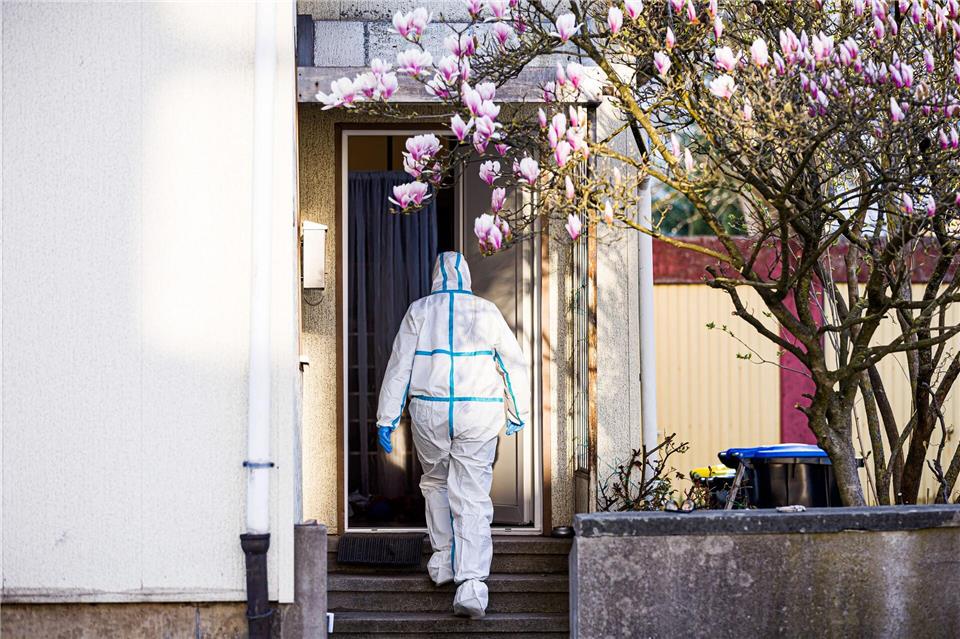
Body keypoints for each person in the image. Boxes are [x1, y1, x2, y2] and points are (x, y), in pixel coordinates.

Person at [376, 251, 530, 619]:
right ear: (467, 277)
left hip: (430, 411)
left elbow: (400, 365)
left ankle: (444, 560)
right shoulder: (486, 311)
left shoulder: (419, 310)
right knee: (472, 493)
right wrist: (517, 410)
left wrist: (387, 417)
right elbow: (512, 363)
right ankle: (472, 584)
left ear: (435, 277)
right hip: (477, 411)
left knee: (436, 483)